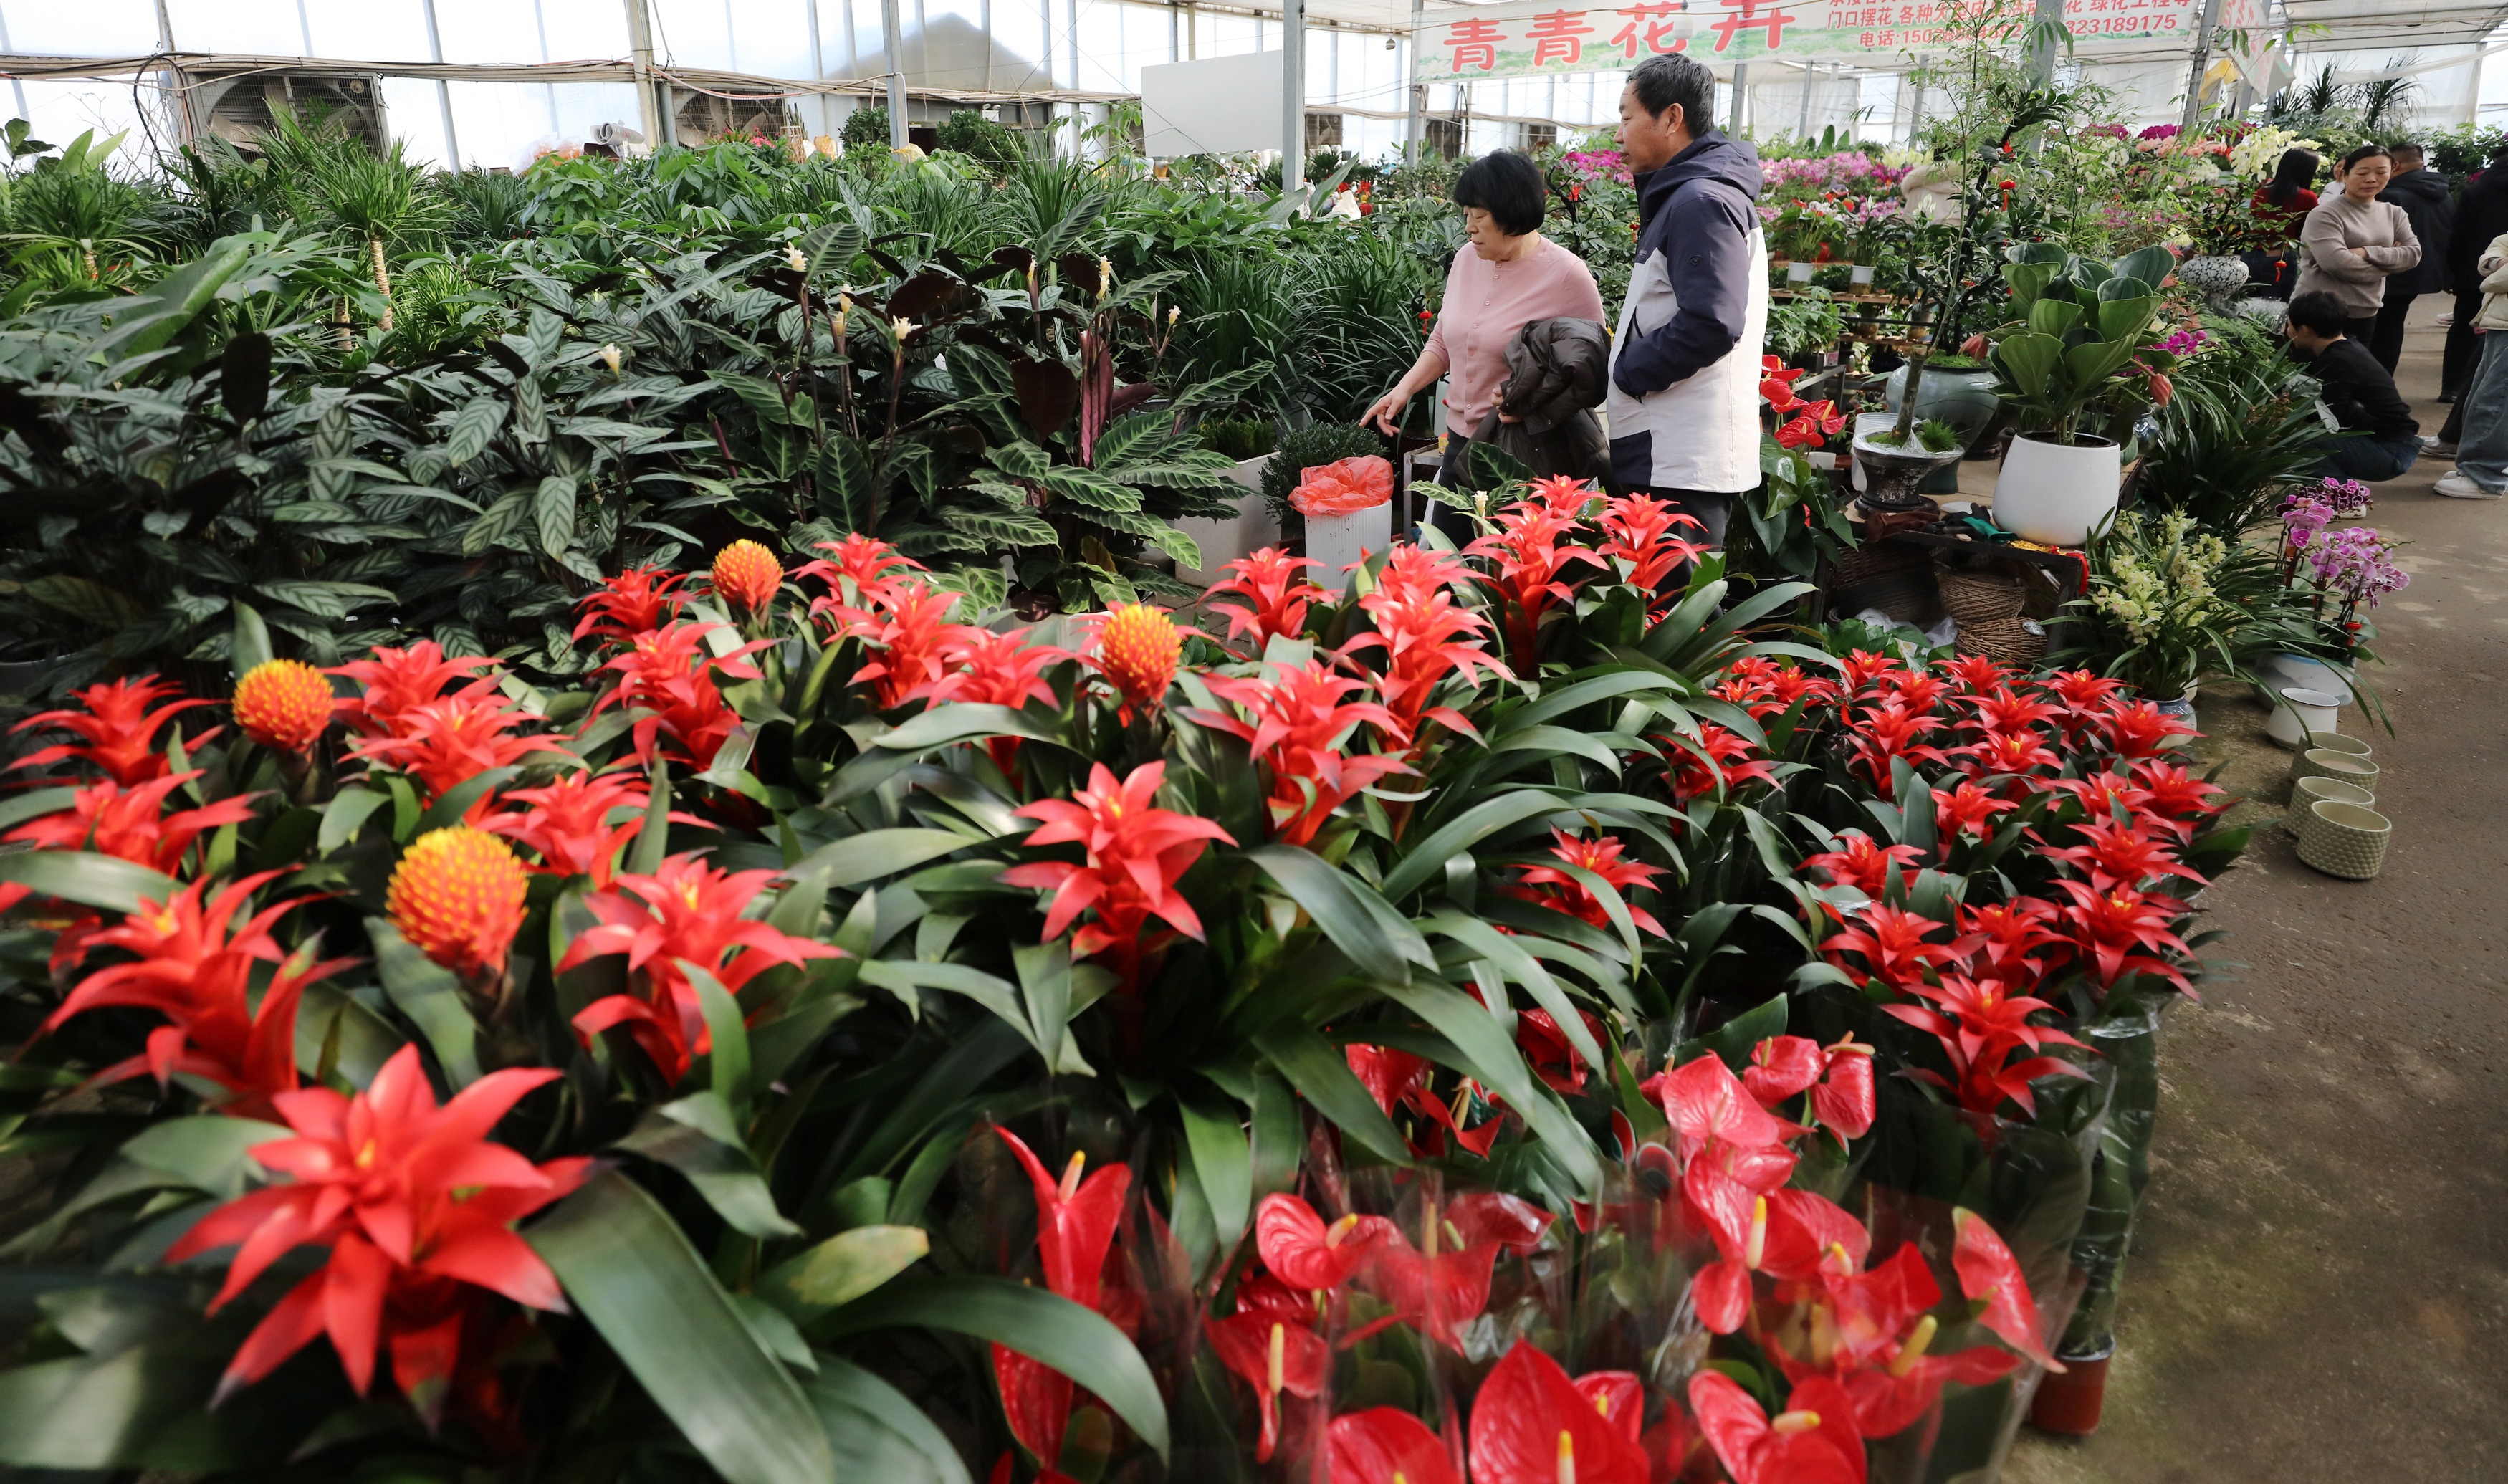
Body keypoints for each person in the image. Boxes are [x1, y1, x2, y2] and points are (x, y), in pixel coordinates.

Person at [1364, 150, 1605, 525]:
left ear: (1512, 212)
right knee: (1448, 555)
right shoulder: (1466, 259)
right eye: (1466, 216)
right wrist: (1403, 390)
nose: (1469, 228)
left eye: (1479, 216)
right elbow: (1443, 339)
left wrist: (1530, 403)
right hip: (1460, 444)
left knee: (1506, 559)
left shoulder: (1567, 275)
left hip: (1523, 454)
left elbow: (1592, 370)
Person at [1602, 52, 1768, 547]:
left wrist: (1629, 372)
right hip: (1671, 452)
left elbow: (1712, 321)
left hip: (1679, 460)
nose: (1618, 135)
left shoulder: (1701, 202)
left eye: (1627, 117)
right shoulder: (1691, 196)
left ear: (1672, 118)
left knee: (1674, 591)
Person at [2285, 290, 2421, 481]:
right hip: (2391, 443)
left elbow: (2326, 419)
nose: (2287, 331)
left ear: (2305, 330)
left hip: (2391, 451)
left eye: (2289, 325)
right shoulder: (2345, 349)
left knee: (2300, 440)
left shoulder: (2340, 362)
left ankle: (2338, 492)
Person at [2294, 145, 2421, 344]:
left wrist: (2364, 252)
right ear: (2345, 175)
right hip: (2318, 312)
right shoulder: (2325, 214)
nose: (2371, 179)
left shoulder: (2394, 213)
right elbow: (2336, 263)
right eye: (2362, 173)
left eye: (2381, 172)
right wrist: (2388, 266)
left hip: (2366, 312)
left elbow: (2413, 255)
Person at [2433, 228, 2508, 499]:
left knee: (2496, 401)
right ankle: (2474, 467)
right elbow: (2493, 253)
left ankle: (2486, 476)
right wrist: (2498, 264)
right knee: (2482, 396)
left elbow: (2491, 275)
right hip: (2499, 322)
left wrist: (2494, 274)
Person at [2370, 142, 2454, 373]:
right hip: (2422, 274)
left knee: (2374, 334)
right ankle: (2383, 380)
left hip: (2387, 273)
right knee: (2392, 329)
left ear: (2395, 165)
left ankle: (2372, 384)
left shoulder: (2391, 196)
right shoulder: (2444, 196)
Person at [2439, 140, 2508, 405]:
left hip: (2474, 273)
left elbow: (2458, 236)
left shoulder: (2476, 191)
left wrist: (2453, 273)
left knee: (2463, 331)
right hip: (2500, 275)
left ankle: (2451, 387)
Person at [2245, 146, 2320, 300]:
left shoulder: (2261, 192)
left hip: (2249, 255)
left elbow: (2252, 222)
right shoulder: (2307, 197)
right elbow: (2310, 230)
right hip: (2279, 258)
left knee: (2245, 304)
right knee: (2275, 307)